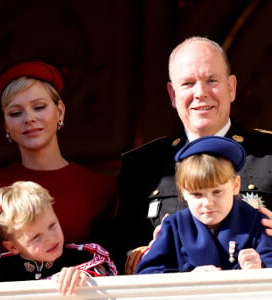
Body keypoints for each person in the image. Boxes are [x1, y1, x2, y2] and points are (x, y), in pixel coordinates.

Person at [116, 36, 272, 274]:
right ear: (172, 94)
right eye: (188, 83)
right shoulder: (142, 165)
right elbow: (117, 249)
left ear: (231, 87)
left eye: (212, 80)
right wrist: (149, 253)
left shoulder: (269, 153)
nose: (200, 93)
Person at [0, 61, 117, 254]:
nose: (29, 118)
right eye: (15, 113)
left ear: (60, 111)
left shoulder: (101, 189)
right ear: (6, 125)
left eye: (39, 107)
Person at [136, 136, 272, 274]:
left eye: (217, 192)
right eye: (197, 194)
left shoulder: (257, 223)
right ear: (182, 192)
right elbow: (147, 275)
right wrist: (187, 279)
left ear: (236, 185)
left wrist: (259, 268)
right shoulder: (174, 226)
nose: (208, 203)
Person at [0, 181, 117, 295]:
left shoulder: (83, 257)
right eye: (35, 236)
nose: (50, 239)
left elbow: (114, 289)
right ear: (12, 247)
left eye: (52, 225)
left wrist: (86, 280)